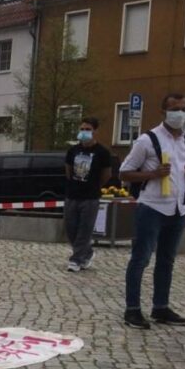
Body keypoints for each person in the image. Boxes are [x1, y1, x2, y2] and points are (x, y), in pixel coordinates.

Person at [120, 92, 185, 329]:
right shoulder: (147, 140)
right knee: (141, 259)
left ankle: (161, 307)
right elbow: (124, 173)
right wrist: (152, 174)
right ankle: (132, 309)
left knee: (167, 260)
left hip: (178, 208)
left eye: (184, 109)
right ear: (164, 112)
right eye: (175, 109)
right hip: (152, 207)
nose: (180, 114)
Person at [64, 116, 112, 272]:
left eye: (88, 129)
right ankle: (88, 252)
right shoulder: (73, 150)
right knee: (71, 229)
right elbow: (68, 170)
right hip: (72, 195)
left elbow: (107, 174)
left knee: (85, 229)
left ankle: (76, 260)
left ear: (95, 131)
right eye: (82, 129)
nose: (84, 132)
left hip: (90, 197)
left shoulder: (102, 152)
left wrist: (95, 186)